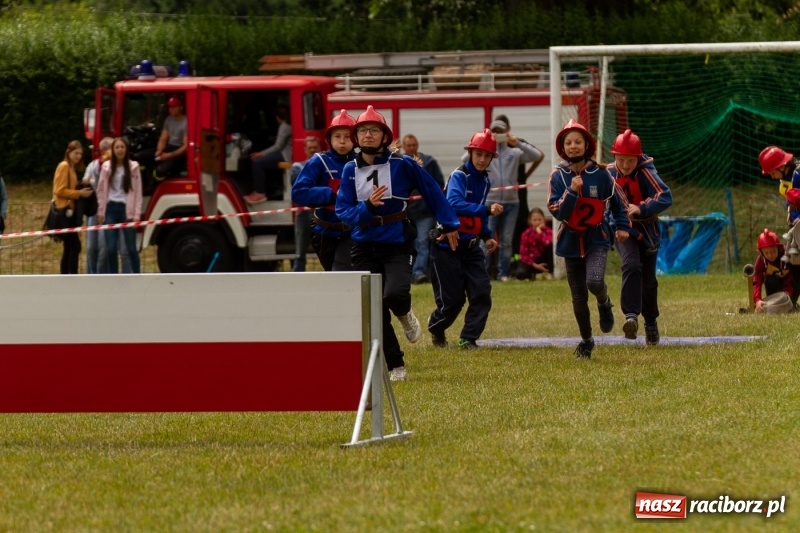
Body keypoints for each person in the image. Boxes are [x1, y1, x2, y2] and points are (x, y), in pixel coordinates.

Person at [336, 105, 460, 381]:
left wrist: (449, 223)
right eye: (363, 130)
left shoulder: (402, 164)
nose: (368, 135)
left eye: (374, 130)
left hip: (397, 242)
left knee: (394, 295)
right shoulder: (348, 170)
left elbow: (431, 190)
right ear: (357, 137)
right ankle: (396, 365)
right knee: (374, 310)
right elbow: (343, 212)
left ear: (384, 136)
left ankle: (405, 313)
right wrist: (367, 207)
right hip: (363, 245)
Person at [547, 119, 631, 359]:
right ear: (563, 147)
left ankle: (605, 303)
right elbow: (557, 212)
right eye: (568, 142)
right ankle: (586, 340)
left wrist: (622, 226)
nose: (573, 146)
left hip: (597, 238)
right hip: (570, 242)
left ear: (587, 145)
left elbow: (617, 202)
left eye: (578, 142)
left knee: (594, 282)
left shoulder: (602, 174)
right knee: (578, 296)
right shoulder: (558, 176)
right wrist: (571, 192)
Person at [427, 129, 502, 349]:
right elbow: (454, 203)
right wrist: (486, 210)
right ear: (470, 153)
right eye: (478, 154)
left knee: (481, 292)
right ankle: (436, 328)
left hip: (471, 247)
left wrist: (486, 235)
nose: (482, 159)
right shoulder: (459, 176)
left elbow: (477, 216)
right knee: (453, 301)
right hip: (446, 246)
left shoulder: (486, 181)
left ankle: (468, 338)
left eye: (487, 156)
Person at [606, 129, 673, 345]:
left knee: (649, 282)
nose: (625, 165)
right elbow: (602, 203)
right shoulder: (608, 174)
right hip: (623, 230)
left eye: (629, 161)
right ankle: (631, 316)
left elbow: (665, 196)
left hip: (648, 231)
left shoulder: (646, 172)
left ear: (638, 158)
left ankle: (651, 322)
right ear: (614, 157)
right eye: (620, 160)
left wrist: (641, 208)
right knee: (631, 265)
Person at [469, 116, 544, 281]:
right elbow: (466, 159)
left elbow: (537, 155)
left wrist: (516, 142)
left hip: (512, 203)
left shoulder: (514, 152)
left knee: (507, 241)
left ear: (506, 132)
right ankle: (483, 272)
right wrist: (484, 143)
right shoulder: (487, 154)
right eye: (494, 131)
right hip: (490, 202)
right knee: (485, 239)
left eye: (500, 131)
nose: (498, 134)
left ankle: (504, 273)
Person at [292, 109, 357, 272]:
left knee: (341, 271)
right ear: (329, 139)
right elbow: (298, 192)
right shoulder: (319, 161)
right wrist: (330, 195)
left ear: (355, 139)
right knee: (332, 274)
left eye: (347, 136)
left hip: (353, 232)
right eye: (337, 136)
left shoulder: (362, 162)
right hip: (323, 232)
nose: (342, 141)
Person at [83, 136, 132, 274]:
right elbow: (86, 181)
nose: (118, 150)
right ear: (105, 150)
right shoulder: (94, 165)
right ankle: (92, 276)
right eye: (114, 147)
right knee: (91, 248)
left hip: (109, 210)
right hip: (94, 210)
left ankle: (105, 276)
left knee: (106, 248)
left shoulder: (119, 166)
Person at [758, 145, 800, 303]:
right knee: (794, 264)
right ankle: (790, 302)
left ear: (782, 166)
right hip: (796, 228)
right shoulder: (786, 179)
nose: (771, 176)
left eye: (772, 172)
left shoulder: (799, 173)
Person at [402, 134, 445, 284]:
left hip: (425, 212)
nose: (412, 148)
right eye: (408, 145)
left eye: (414, 145)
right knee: (407, 243)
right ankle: (407, 273)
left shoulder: (429, 163)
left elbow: (438, 184)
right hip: (406, 212)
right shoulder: (398, 163)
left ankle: (419, 273)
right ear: (403, 146)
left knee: (421, 241)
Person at [97, 137, 143, 274]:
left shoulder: (133, 167)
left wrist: (136, 215)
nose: (119, 150)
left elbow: (138, 193)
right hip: (110, 209)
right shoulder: (106, 167)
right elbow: (100, 190)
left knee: (131, 248)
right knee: (110, 248)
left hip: (126, 210)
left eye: (122, 147)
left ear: (126, 149)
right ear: (113, 150)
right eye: (117, 147)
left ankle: (137, 276)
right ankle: (114, 277)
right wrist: (100, 211)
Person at [52, 140, 93, 274]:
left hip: (70, 212)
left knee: (69, 247)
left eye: (80, 154)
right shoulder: (64, 166)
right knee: (74, 246)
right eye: (76, 153)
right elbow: (59, 190)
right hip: (65, 212)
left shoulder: (72, 169)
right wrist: (78, 193)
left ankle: (66, 276)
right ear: (69, 152)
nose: (78, 156)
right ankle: (71, 276)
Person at [245, 105, 292, 204]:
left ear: (277, 117)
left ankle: (260, 193)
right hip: (284, 154)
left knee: (258, 163)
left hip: (285, 156)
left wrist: (260, 154)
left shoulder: (284, 126)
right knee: (267, 161)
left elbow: (278, 146)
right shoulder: (288, 125)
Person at [289, 136, 322, 272]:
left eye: (315, 148)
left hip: (322, 214)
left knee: (326, 249)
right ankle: (297, 279)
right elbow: (298, 186)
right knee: (300, 252)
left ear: (319, 148)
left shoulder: (326, 166)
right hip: (303, 214)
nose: (313, 150)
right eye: (310, 148)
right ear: (304, 149)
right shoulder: (297, 166)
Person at [751, 228, 794, 313]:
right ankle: (771, 305)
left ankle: (792, 304)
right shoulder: (760, 260)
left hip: (790, 286)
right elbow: (757, 281)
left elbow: (792, 276)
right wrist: (757, 300)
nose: (770, 255)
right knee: (770, 280)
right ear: (761, 252)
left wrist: (787, 293)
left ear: (778, 247)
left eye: (773, 251)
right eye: (766, 253)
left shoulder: (787, 254)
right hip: (774, 287)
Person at [514, 207, 553, 281]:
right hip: (531, 262)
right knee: (520, 273)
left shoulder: (548, 231)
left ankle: (549, 273)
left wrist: (539, 232)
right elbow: (523, 254)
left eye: (540, 219)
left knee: (550, 247)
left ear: (544, 220)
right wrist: (535, 266)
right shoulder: (525, 234)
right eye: (534, 220)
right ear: (530, 221)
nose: (537, 222)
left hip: (543, 260)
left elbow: (548, 243)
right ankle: (531, 275)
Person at [153, 96, 188, 179]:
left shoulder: (186, 122)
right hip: (169, 147)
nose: (171, 109)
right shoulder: (168, 119)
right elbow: (163, 139)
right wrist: (159, 151)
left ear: (181, 107)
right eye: (170, 107)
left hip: (179, 151)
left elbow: (185, 147)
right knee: (141, 156)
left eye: (174, 107)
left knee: (160, 171)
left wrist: (168, 156)